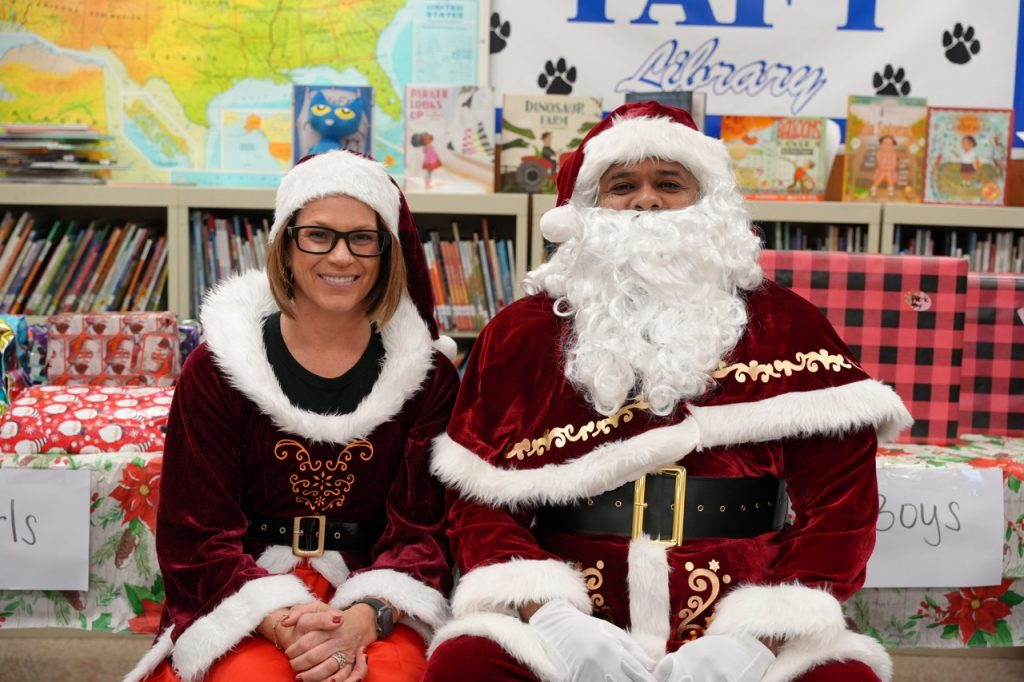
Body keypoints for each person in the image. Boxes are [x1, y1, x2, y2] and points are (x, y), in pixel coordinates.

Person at [423, 102, 911, 682]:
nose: (646, 200)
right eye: (622, 185)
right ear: (586, 208)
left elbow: (840, 508)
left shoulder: (790, 327)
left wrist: (759, 637)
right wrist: (550, 614)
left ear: (709, 202)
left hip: (744, 619)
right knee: (466, 666)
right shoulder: (520, 335)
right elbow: (480, 504)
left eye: (669, 184)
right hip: (571, 618)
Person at [125, 149, 459, 682]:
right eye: (319, 235)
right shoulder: (215, 372)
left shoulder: (428, 380)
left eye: (362, 238)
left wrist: (362, 616)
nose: (342, 257)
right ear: (285, 245)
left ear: (387, 253)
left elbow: (422, 530)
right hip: (244, 591)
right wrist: (281, 623)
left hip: (372, 598)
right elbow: (198, 533)